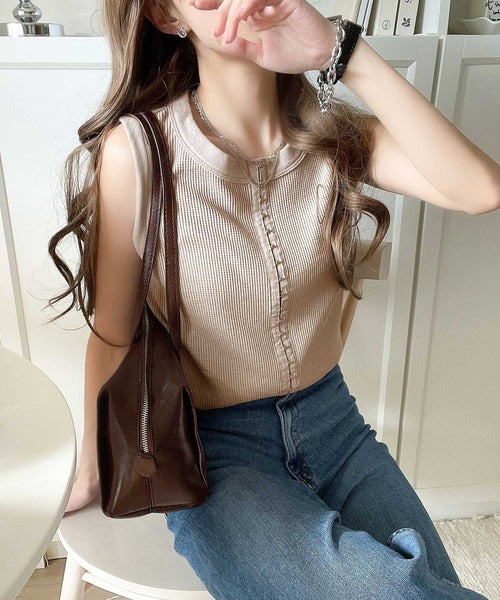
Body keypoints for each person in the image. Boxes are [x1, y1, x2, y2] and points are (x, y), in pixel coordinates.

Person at [47, 0, 500, 597]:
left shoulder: (332, 136)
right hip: (215, 453)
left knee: (433, 585)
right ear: (165, 15)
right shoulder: (139, 151)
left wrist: (339, 50)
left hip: (337, 427)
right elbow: (113, 335)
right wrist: (93, 466)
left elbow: (480, 190)